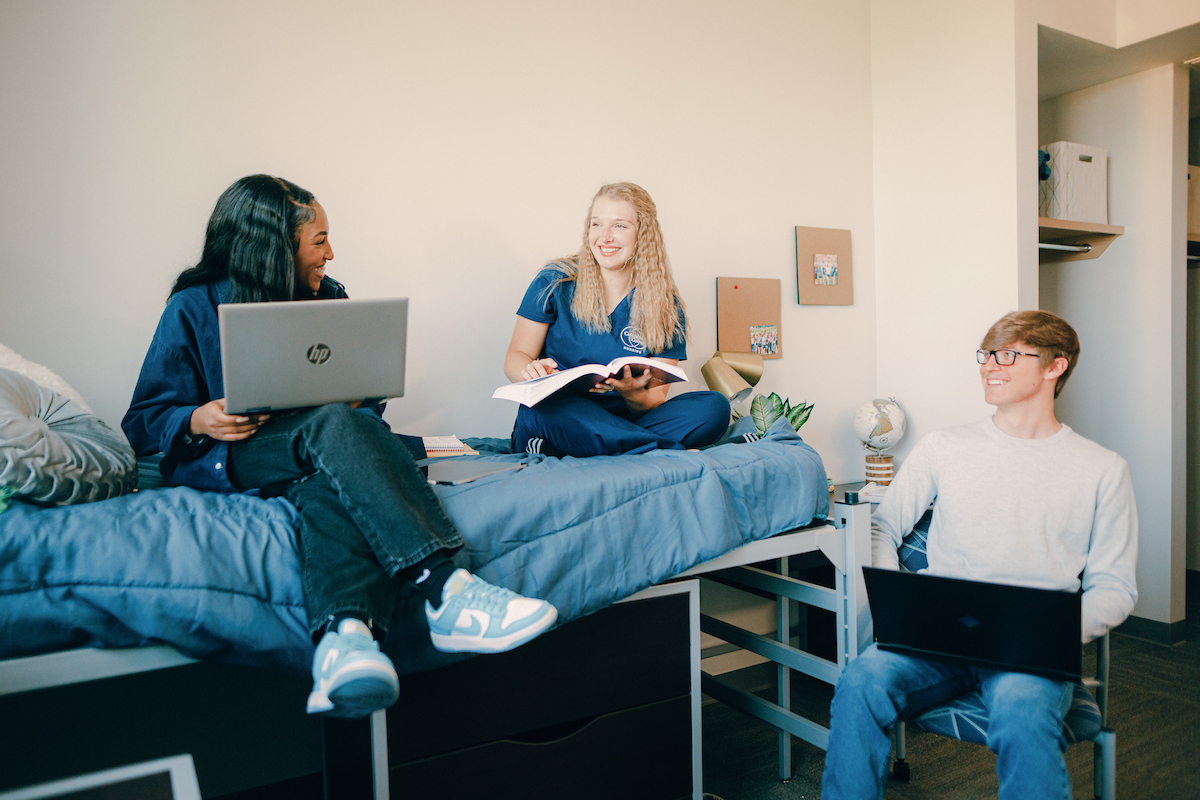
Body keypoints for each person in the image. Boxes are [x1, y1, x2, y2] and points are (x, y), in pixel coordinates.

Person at [123, 175, 557, 719]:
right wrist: (199, 418)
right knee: (329, 428)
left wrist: (360, 403)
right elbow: (141, 422)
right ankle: (447, 588)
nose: (332, 252)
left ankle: (345, 641)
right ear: (277, 246)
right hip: (237, 454)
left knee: (328, 473)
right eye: (320, 240)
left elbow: (368, 404)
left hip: (318, 453)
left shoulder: (329, 298)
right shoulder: (192, 306)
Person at [820, 310, 1138, 800]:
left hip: (1030, 652)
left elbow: (1114, 588)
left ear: (1056, 366)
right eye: (986, 354)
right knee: (862, 680)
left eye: (1008, 355)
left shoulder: (1102, 469)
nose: (991, 365)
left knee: (1022, 713)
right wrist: (900, 602)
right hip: (937, 638)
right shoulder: (945, 447)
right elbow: (883, 524)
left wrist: (1050, 629)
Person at [503, 182, 730, 457]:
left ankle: (609, 448)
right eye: (596, 224)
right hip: (562, 413)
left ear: (643, 235)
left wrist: (633, 393)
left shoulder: (665, 307)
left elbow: (655, 398)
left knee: (713, 407)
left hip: (627, 420)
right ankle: (662, 450)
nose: (604, 237)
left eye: (619, 226)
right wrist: (530, 372)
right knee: (544, 407)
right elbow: (516, 356)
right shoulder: (554, 281)